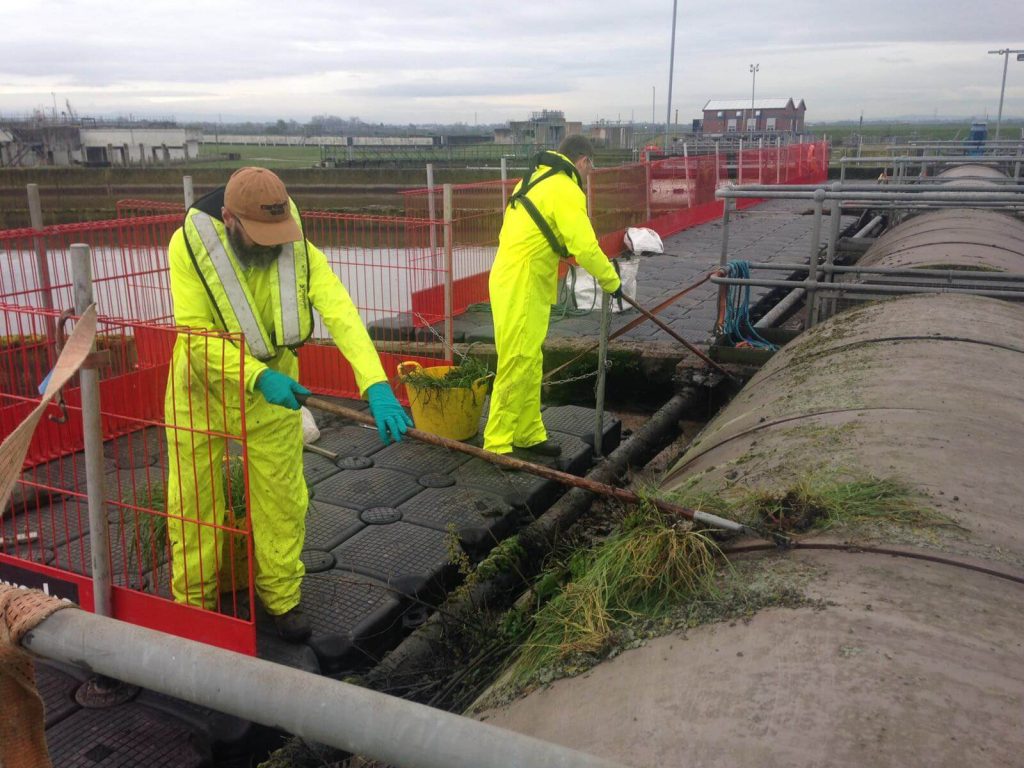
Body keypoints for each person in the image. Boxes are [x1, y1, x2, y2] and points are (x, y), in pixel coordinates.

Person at [164, 166, 412, 641]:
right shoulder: (187, 249)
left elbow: (340, 309)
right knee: (194, 504)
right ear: (228, 219)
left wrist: (375, 383)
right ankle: (193, 608)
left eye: (274, 234)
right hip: (202, 389)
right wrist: (256, 377)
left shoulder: (297, 246)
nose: (268, 244)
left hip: (274, 393)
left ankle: (281, 599)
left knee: (281, 498)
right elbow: (194, 335)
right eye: (257, 235)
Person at [483, 135, 622, 459]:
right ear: (583, 161)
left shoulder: (532, 180)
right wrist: (612, 281)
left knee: (530, 360)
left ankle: (528, 432)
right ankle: (497, 443)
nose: (589, 174)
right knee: (517, 360)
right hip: (522, 283)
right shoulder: (565, 188)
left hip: (513, 278)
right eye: (591, 167)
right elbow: (584, 246)